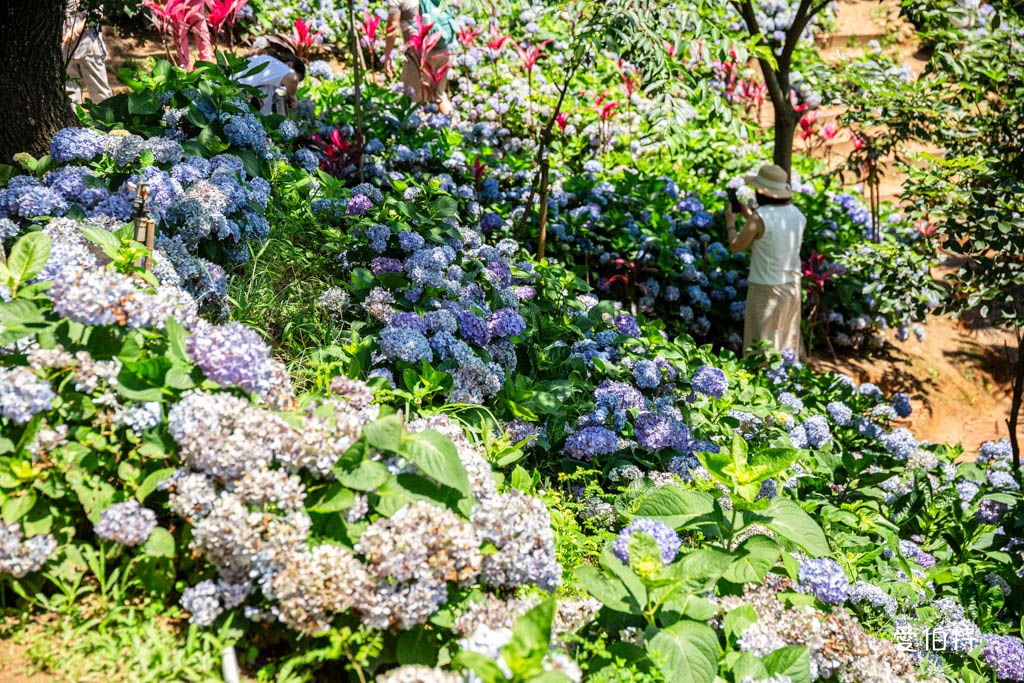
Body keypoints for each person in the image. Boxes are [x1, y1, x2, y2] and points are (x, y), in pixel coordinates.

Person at [725, 164, 806, 358]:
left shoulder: (760, 218)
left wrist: (730, 222)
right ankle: (785, 383)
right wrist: (748, 215)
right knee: (786, 343)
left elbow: (736, 246)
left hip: (766, 288)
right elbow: (772, 232)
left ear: (761, 192)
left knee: (761, 346)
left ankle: (762, 384)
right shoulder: (796, 214)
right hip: (792, 286)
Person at [383, 0, 454, 115]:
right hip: (442, 50)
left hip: (420, 55)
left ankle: (418, 130)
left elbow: (392, 28)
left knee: (412, 101)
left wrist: (387, 56)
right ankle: (455, 128)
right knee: (439, 96)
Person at [64, 0, 113, 105]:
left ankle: (107, 119)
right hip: (65, 44)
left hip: (89, 44)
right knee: (70, 91)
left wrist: (75, 32)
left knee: (99, 91)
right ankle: (74, 119)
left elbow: (95, 15)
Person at [235, 51, 306, 115]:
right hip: (235, 96)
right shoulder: (278, 65)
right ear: (290, 65)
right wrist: (292, 96)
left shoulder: (269, 65)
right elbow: (293, 79)